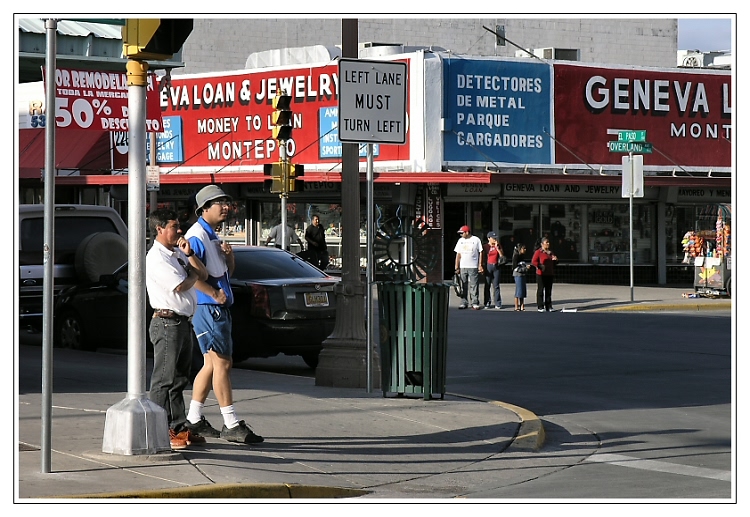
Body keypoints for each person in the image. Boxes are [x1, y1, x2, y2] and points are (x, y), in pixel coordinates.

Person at [184, 185, 264, 444]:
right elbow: (190, 273)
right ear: (204, 209)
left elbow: (223, 273)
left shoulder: (210, 236)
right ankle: (230, 422)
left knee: (211, 364)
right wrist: (213, 294)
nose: (225, 207)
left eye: (226, 202)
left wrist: (229, 258)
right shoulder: (196, 235)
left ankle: (194, 418)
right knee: (222, 364)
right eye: (219, 203)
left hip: (215, 308)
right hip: (209, 309)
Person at [145, 209, 208, 450]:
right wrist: (193, 274)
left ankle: (179, 426)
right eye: (173, 226)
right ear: (159, 229)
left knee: (180, 378)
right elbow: (181, 285)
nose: (179, 230)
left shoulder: (176, 255)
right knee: (163, 379)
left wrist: (190, 255)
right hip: (166, 322)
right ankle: (159, 430)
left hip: (183, 321)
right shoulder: (157, 257)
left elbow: (202, 273)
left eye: (179, 226)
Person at [454, 225, 484, 310]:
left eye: (462, 233)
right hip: (463, 266)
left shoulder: (476, 240)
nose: (461, 235)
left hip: (473, 265)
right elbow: (458, 254)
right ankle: (464, 302)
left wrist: (480, 264)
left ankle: (474, 302)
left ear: (467, 232)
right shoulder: (460, 241)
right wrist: (456, 266)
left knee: (474, 285)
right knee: (463, 285)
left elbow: (481, 252)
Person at [531, 236, 558, 312]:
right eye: (546, 243)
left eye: (548, 242)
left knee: (548, 291)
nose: (548, 244)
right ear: (542, 244)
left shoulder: (550, 252)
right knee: (540, 290)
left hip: (550, 273)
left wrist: (555, 260)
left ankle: (548, 306)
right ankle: (540, 306)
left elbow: (554, 262)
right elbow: (533, 261)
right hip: (541, 274)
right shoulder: (538, 252)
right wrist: (540, 266)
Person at [483, 231, 505, 309]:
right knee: (487, 285)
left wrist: (497, 247)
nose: (495, 239)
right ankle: (487, 302)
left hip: (496, 266)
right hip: (488, 266)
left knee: (496, 286)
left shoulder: (498, 245)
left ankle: (498, 303)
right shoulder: (485, 246)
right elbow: (483, 256)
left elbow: (502, 256)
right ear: (489, 238)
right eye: (493, 238)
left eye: (495, 238)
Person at [511, 243, 528, 311]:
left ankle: (522, 305)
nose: (525, 250)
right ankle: (516, 306)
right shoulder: (516, 256)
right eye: (524, 248)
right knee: (518, 290)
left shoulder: (522, 256)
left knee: (523, 290)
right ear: (520, 249)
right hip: (518, 274)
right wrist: (525, 269)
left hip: (523, 274)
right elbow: (514, 267)